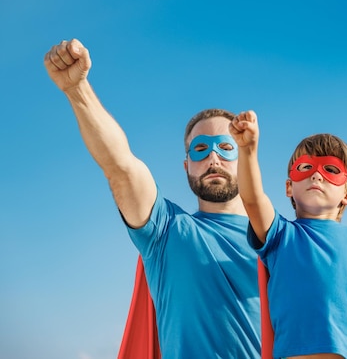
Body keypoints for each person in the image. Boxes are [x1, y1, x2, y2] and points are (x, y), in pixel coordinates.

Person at [43, 39, 261, 358]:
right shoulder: (166, 231)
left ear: (245, 154)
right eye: (201, 148)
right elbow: (120, 166)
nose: (213, 157)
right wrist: (78, 91)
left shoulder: (283, 241)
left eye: (226, 147)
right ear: (186, 165)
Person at [229, 110, 347, 359]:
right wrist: (247, 150)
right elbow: (252, 199)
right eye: (306, 167)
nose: (317, 174)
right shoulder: (280, 235)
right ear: (289, 187)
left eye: (331, 169)